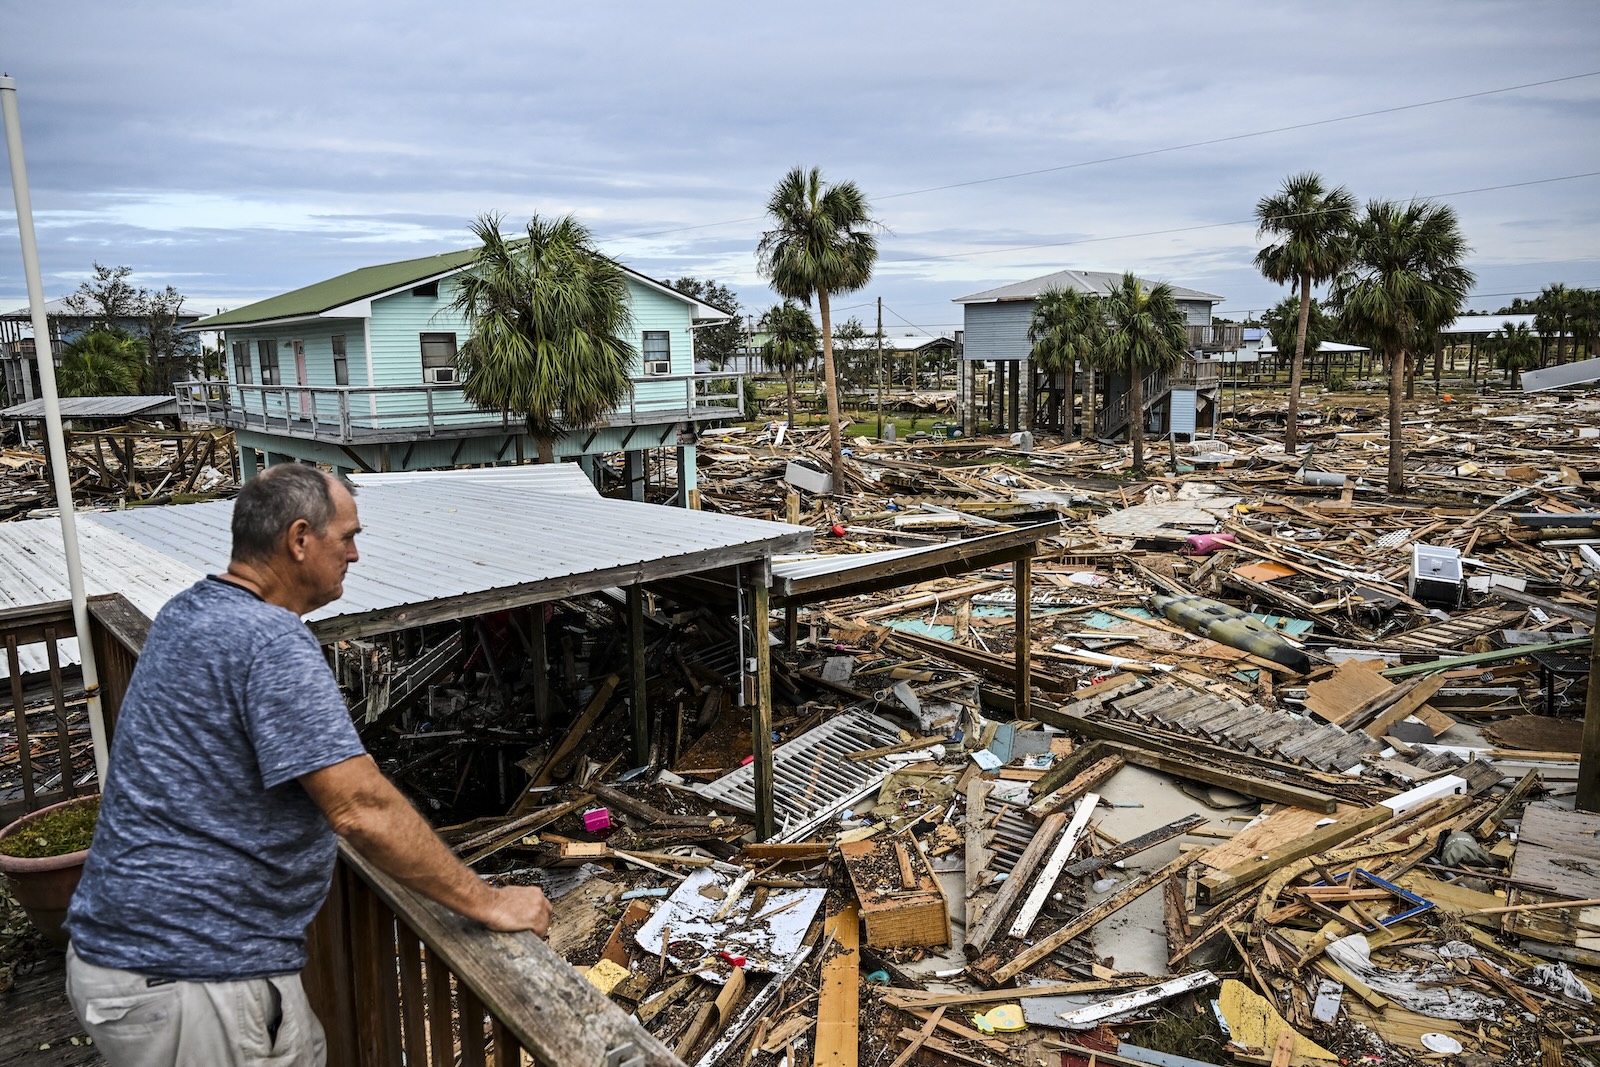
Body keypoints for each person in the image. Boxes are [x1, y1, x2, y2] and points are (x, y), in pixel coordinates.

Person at [64, 464, 550, 1066]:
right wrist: (488, 902)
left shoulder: (188, 612)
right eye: (347, 537)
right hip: (195, 973)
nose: (355, 555)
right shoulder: (269, 640)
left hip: (131, 956)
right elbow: (360, 807)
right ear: (299, 539)